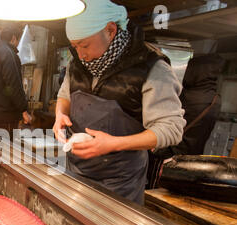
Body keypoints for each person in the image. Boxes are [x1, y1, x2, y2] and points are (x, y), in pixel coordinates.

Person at [53, 0, 186, 205]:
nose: (80, 54)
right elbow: (65, 95)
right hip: (76, 172)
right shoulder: (77, 62)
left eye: (85, 45)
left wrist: (114, 144)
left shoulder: (152, 67)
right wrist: (60, 114)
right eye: (75, 46)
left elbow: (171, 129)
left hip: (120, 183)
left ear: (110, 30)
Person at [0, 25, 32, 137]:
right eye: (18, 41)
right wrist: (24, 110)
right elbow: (13, 85)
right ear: (13, 38)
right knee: (7, 151)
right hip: (6, 117)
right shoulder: (9, 54)